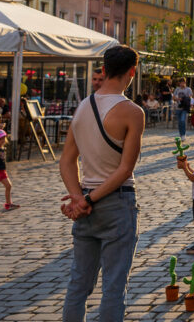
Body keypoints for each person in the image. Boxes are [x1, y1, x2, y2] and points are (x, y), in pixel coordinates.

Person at [60, 45, 145, 322]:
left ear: (104, 70)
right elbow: (124, 169)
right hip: (115, 203)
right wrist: (88, 200)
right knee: (113, 286)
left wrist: (78, 197)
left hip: (85, 202)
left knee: (79, 284)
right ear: (132, 72)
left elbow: (67, 160)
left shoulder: (83, 107)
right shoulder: (131, 112)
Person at [0, 129, 18, 211]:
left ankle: (8, 203)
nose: (2, 140)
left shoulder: (2, 148)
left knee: (8, 185)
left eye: (3, 138)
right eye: (0, 139)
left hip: (2, 171)